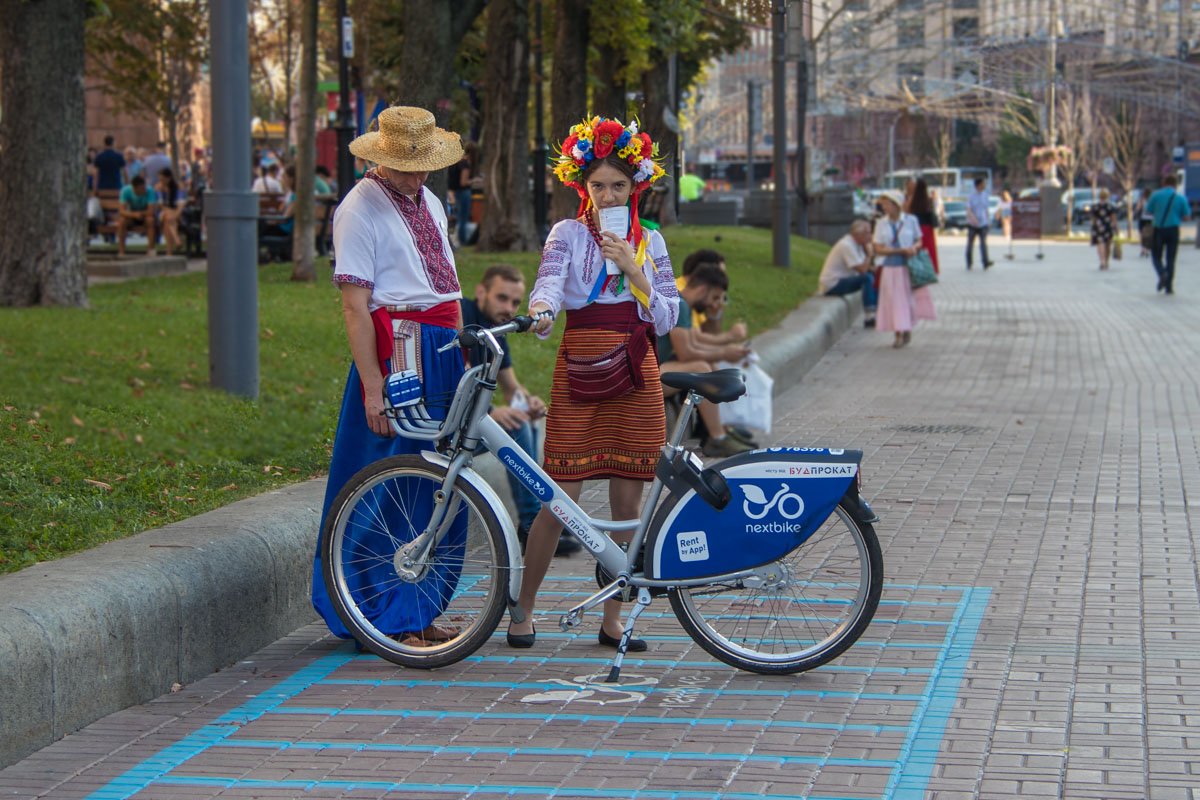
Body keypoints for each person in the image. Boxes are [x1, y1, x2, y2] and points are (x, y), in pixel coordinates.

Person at [507, 115, 679, 651]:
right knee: (560, 497)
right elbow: (549, 283)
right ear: (583, 185)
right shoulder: (566, 232)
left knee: (628, 506)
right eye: (598, 184)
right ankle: (524, 607)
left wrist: (634, 269)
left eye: (618, 186)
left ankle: (612, 619)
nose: (607, 194)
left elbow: (669, 317)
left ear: (637, 189)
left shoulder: (649, 240)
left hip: (635, 368)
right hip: (580, 362)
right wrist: (539, 312)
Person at [310, 105, 468, 643]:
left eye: (425, 164)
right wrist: (372, 386)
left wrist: (462, 351)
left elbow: (448, 287)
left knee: (437, 480)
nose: (419, 175)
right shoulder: (359, 209)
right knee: (390, 476)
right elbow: (355, 306)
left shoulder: (430, 201)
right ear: (381, 158)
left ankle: (417, 608)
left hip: (442, 347)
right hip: (400, 347)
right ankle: (378, 612)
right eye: (408, 165)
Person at [460, 265, 582, 557]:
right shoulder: (464, 315)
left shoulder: (497, 327)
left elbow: (511, 387)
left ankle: (544, 520)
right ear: (481, 292)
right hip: (453, 423)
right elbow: (457, 380)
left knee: (523, 419)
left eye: (515, 302)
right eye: (502, 298)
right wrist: (490, 412)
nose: (509, 308)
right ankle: (530, 524)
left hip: (472, 421)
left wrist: (529, 403)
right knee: (515, 426)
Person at [659, 264, 753, 457]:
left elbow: (694, 343)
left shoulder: (681, 303)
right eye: (714, 297)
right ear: (702, 289)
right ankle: (717, 439)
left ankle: (720, 429)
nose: (714, 305)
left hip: (650, 369)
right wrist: (724, 353)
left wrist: (724, 349)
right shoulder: (680, 304)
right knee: (701, 367)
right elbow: (686, 353)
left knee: (708, 366)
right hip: (646, 375)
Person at [874, 190, 935, 348]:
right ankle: (898, 332)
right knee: (892, 300)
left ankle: (905, 327)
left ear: (896, 205)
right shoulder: (881, 223)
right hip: (889, 266)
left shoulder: (910, 220)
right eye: (884, 204)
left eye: (887, 203)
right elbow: (878, 247)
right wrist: (899, 251)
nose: (885, 207)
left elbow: (919, 240)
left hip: (907, 266)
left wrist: (913, 248)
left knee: (905, 299)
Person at [818, 219, 877, 328]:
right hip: (833, 284)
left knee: (874, 277)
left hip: (843, 280)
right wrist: (869, 254)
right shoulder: (847, 245)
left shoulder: (858, 245)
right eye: (867, 233)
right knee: (867, 278)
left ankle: (877, 310)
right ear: (857, 234)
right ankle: (870, 316)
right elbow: (862, 270)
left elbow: (866, 267)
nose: (870, 236)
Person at [1144, 174, 1191, 294]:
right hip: (1173, 230)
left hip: (1159, 229)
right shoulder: (1180, 197)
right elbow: (1186, 217)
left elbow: (1148, 211)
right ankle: (1169, 286)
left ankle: (1162, 272)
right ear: (1175, 184)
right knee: (1171, 258)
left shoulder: (1156, 195)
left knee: (1156, 256)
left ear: (1164, 183)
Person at [116, 175, 159, 258]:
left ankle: (150, 249)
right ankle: (121, 251)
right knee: (122, 221)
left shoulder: (150, 191)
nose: (144, 190)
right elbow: (122, 210)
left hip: (145, 215)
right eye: (141, 188)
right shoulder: (126, 191)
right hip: (131, 215)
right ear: (135, 188)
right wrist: (134, 215)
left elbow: (151, 210)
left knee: (150, 221)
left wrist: (140, 214)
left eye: (144, 187)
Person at [447, 141, 478, 246]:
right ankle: (463, 240)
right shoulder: (466, 165)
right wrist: (475, 181)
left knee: (459, 217)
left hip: (455, 192)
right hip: (464, 192)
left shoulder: (458, 161)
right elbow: (463, 182)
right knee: (463, 218)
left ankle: (459, 239)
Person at [907, 178, 940, 275]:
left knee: (917, 248)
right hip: (927, 228)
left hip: (916, 227)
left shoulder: (912, 200)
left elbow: (908, 213)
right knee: (929, 249)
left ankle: (917, 268)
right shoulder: (928, 200)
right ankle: (931, 268)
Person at [965, 178, 993, 270]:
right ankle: (969, 263)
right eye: (983, 184)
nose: (984, 185)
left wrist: (988, 221)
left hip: (983, 223)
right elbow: (968, 210)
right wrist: (973, 219)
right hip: (973, 224)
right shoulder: (971, 196)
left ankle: (985, 262)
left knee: (983, 243)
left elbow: (986, 209)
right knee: (970, 244)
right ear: (978, 185)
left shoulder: (985, 195)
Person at [154, 168, 183, 257]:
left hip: (177, 213)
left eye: (163, 179)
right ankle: (176, 239)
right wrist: (159, 191)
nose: (161, 182)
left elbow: (181, 204)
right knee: (167, 216)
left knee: (167, 221)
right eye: (160, 179)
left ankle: (169, 252)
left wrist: (175, 214)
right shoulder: (158, 188)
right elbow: (160, 205)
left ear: (169, 178)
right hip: (162, 213)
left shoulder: (178, 186)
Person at [1090, 188, 1117, 271]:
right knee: (1107, 245)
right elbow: (1113, 218)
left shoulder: (1095, 207)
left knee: (1100, 244)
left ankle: (1102, 261)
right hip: (1107, 227)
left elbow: (1093, 219)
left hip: (1098, 227)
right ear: (1107, 196)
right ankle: (1106, 261)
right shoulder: (1110, 207)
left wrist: (1093, 226)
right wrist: (1116, 228)